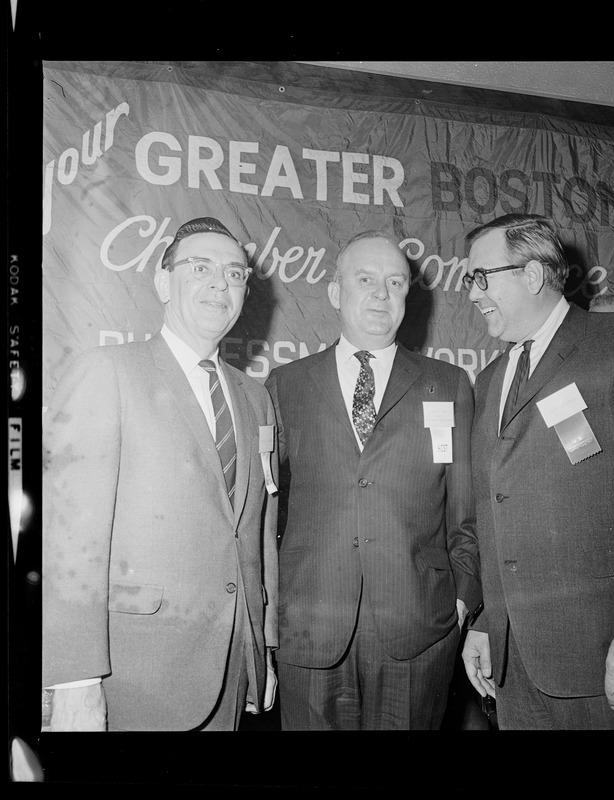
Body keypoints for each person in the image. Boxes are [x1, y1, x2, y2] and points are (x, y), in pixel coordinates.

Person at [461, 213, 614, 729]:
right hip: (516, 666)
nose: (472, 294)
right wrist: (487, 620)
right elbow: (495, 510)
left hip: (611, 661)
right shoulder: (488, 382)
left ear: (531, 275)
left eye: (481, 277)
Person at [42, 217, 279, 731]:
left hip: (233, 668)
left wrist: (262, 648)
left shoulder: (255, 397)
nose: (221, 283)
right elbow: (65, 540)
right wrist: (75, 682)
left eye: (236, 274)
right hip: (131, 677)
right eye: (201, 267)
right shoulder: (106, 371)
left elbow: (255, 535)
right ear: (162, 281)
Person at [264, 231, 481, 730]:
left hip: (419, 633)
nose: (381, 294)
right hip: (311, 630)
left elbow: (465, 513)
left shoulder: (447, 384)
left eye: (395, 283)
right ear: (336, 294)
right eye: (365, 280)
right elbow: (267, 517)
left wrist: (461, 599)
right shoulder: (285, 386)